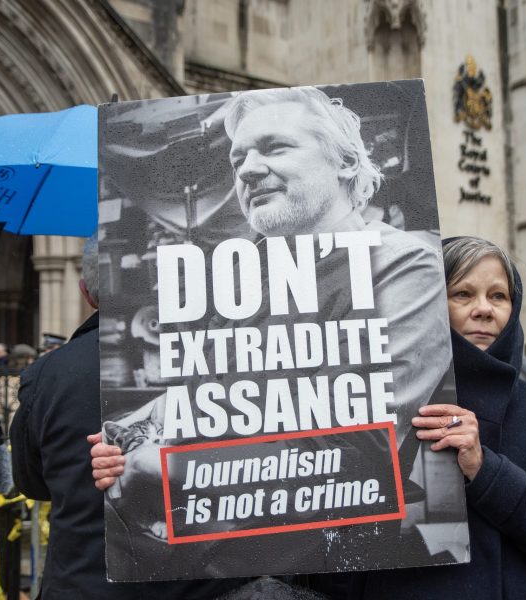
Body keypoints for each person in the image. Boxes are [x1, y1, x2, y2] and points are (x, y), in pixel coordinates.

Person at [92, 236, 526, 598]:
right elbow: (263, 497)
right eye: (462, 294)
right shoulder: (352, 390)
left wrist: (483, 467)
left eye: (499, 296)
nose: (484, 309)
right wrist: (127, 466)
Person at [94, 86, 453, 580]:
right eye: (239, 156)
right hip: (207, 565)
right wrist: (121, 437)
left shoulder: (402, 263)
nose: (246, 169)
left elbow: (352, 449)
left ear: (345, 163)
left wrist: (170, 466)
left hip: (317, 573)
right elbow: (199, 398)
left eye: (275, 147)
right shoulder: (246, 274)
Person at [10, 236, 245, 599]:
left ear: (86, 292)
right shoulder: (234, 360)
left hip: (86, 585)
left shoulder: (48, 375)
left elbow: (32, 482)